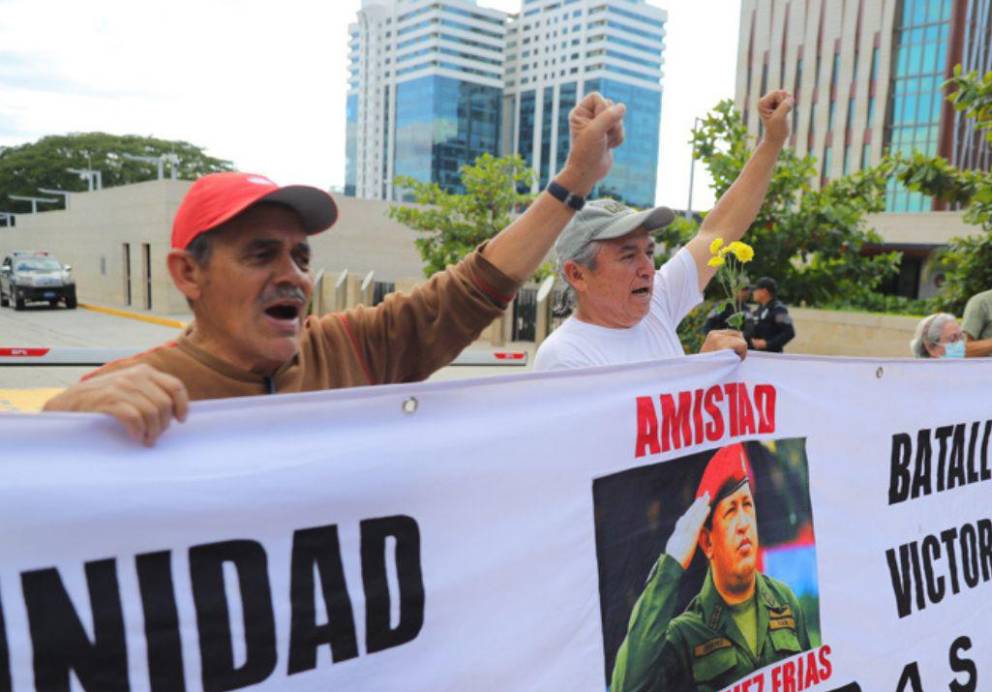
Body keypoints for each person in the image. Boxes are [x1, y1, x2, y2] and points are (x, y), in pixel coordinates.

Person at [42, 93, 629, 445]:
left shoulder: (352, 349)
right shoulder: (129, 393)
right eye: (260, 253)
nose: (292, 275)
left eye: (301, 256)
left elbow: (472, 290)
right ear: (187, 274)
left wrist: (575, 180)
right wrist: (62, 426)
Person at [531, 90, 795, 371]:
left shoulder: (658, 302)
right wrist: (700, 371)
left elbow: (720, 229)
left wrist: (773, 141)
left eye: (649, 251)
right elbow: (642, 416)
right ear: (577, 274)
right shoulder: (564, 357)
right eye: (628, 255)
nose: (647, 268)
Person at [607, 444, 817, 692]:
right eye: (731, 511)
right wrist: (672, 563)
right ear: (706, 542)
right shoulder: (686, 633)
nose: (744, 523)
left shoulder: (784, 604)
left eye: (748, 506)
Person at [743, 276, 795, 352]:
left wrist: (768, 344)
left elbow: (789, 332)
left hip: (771, 357)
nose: (753, 293)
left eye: (755, 290)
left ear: (764, 291)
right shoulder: (760, 309)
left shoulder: (779, 310)